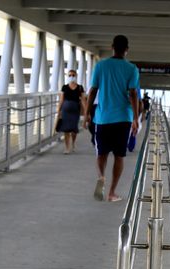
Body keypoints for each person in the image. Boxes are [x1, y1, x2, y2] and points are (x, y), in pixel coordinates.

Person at [85, 35, 139, 202]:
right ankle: (111, 193)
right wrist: (136, 118)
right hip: (123, 118)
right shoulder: (132, 69)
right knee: (119, 156)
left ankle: (101, 176)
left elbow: (93, 91)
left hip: (103, 118)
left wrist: (87, 113)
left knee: (101, 154)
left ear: (112, 47)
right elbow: (133, 93)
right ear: (127, 49)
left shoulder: (101, 66)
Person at [56, 70, 87, 154]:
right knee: (66, 129)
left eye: (73, 75)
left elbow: (83, 100)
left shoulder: (80, 87)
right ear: (67, 76)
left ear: (76, 76)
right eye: (69, 75)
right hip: (66, 111)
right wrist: (58, 109)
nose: (71, 76)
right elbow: (61, 99)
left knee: (73, 129)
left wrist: (86, 112)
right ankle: (67, 147)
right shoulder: (64, 87)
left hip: (75, 110)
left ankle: (73, 143)